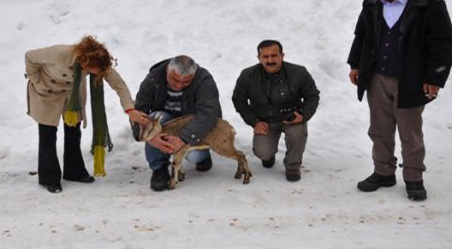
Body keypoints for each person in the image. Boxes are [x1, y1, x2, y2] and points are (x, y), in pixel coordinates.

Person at [347, 0, 452, 201]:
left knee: (410, 132)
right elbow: (362, 35)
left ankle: (414, 178)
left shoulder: (429, 5)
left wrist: (434, 77)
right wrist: (356, 64)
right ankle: (384, 171)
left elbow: (443, 44)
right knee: (379, 129)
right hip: (376, 77)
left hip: (411, 80)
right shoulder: (372, 3)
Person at [25, 36, 149, 193]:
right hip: (46, 93)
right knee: (47, 134)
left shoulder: (99, 64)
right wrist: (36, 80)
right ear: (86, 63)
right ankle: (49, 177)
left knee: (73, 132)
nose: (101, 73)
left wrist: (130, 110)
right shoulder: (59, 53)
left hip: (72, 95)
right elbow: (29, 56)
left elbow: (119, 85)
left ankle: (74, 171)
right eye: (98, 70)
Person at [232, 40, 319, 181]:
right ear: (258, 58)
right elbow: (238, 100)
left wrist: (303, 116)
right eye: (265, 57)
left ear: (282, 55)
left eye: (274, 55)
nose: (270, 60)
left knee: (297, 134)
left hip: (292, 119)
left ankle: (292, 166)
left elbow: (312, 96)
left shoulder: (299, 72)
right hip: (265, 121)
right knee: (263, 152)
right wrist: (254, 122)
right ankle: (269, 155)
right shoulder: (247, 75)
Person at [132, 55, 222, 191]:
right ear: (167, 69)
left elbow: (209, 114)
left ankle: (203, 156)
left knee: (194, 156)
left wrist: (183, 139)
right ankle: (159, 168)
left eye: (185, 82)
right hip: (165, 123)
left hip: (192, 125)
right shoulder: (153, 78)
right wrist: (149, 138)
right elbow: (138, 112)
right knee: (153, 117)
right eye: (175, 80)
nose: (179, 85)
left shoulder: (204, 80)